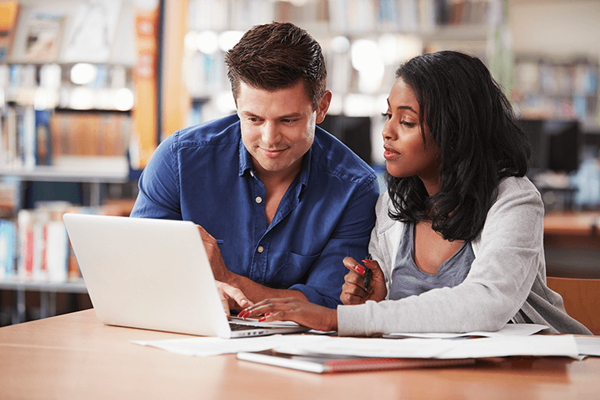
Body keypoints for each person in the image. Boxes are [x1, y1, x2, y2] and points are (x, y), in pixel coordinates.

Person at [239, 50, 592, 336]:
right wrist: (373, 301)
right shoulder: (393, 204)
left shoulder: (514, 199)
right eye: (387, 114)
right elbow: (401, 316)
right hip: (431, 377)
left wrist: (340, 319)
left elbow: (488, 303)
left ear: (454, 131)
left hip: (531, 374)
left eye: (406, 122)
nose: (387, 132)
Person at [130, 22, 379, 315]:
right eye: (254, 119)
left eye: (288, 120)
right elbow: (135, 270)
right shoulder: (178, 160)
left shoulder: (355, 187)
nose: (269, 139)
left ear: (321, 107)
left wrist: (224, 280)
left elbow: (326, 306)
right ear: (236, 105)